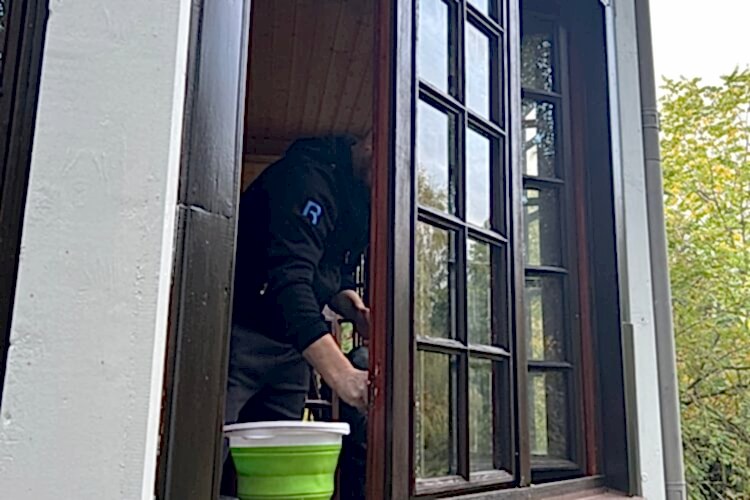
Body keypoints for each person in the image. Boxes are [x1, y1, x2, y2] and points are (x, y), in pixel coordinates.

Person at [220, 135, 372, 496]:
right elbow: (289, 282)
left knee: (272, 474)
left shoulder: (361, 198)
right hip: (237, 336)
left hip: (292, 350)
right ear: (371, 146)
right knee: (205, 453)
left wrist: (354, 309)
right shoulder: (306, 179)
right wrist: (344, 375)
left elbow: (330, 273)